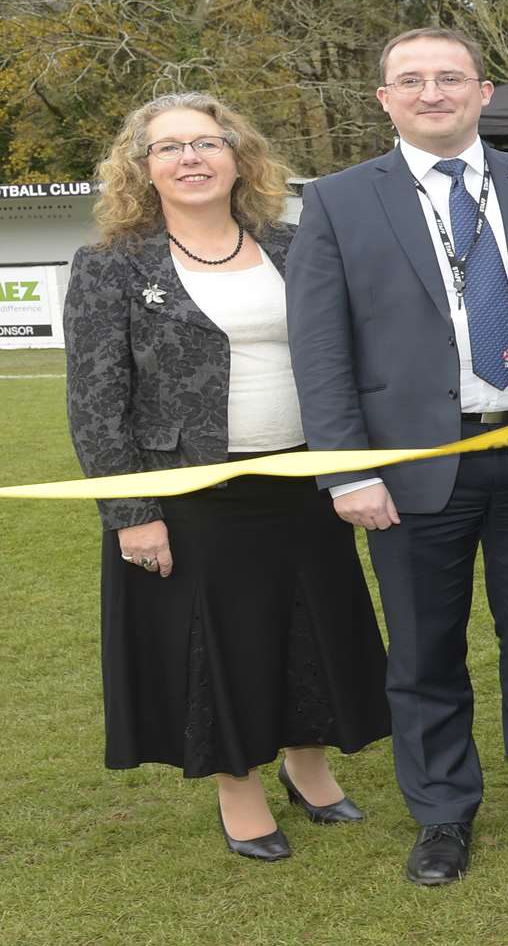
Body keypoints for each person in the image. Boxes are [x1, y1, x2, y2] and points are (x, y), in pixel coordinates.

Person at [285, 28, 508, 886]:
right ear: (385, 98)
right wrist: (346, 470)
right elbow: (319, 351)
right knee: (426, 653)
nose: (433, 92)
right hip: (411, 470)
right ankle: (442, 813)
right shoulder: (339, 201)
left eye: (450, 77)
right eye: (412, 80)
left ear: (484, 91)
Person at [64, 93, 390, 864]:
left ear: (238, 155)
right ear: (142, 168)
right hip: (189, 495)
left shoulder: (293, 245)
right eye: (169, 147)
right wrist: (131, 512)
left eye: (207, 143)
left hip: (305, 480)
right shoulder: (112, 264)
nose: (191, 159)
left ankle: (308, 771)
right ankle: (237, 790)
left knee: (311, 630)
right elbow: (93, 402)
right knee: (222, 646)